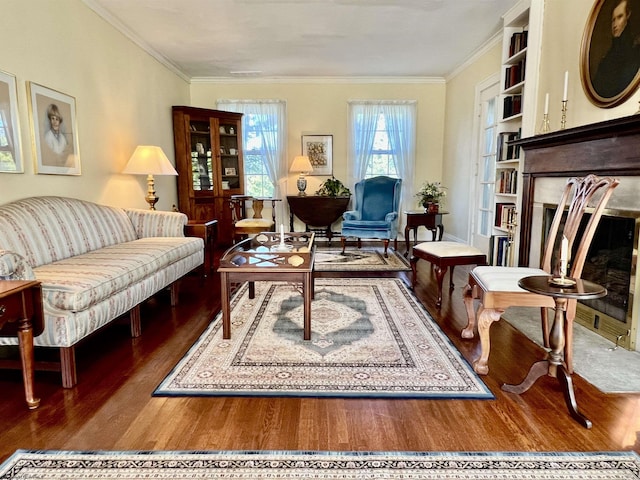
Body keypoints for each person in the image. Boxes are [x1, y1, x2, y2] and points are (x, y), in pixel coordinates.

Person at [592, 0, 640, 98]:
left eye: (619, 17)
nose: (615, 24)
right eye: (613, 20)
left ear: (628, 15)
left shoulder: (635, 51)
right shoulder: (606, 59)